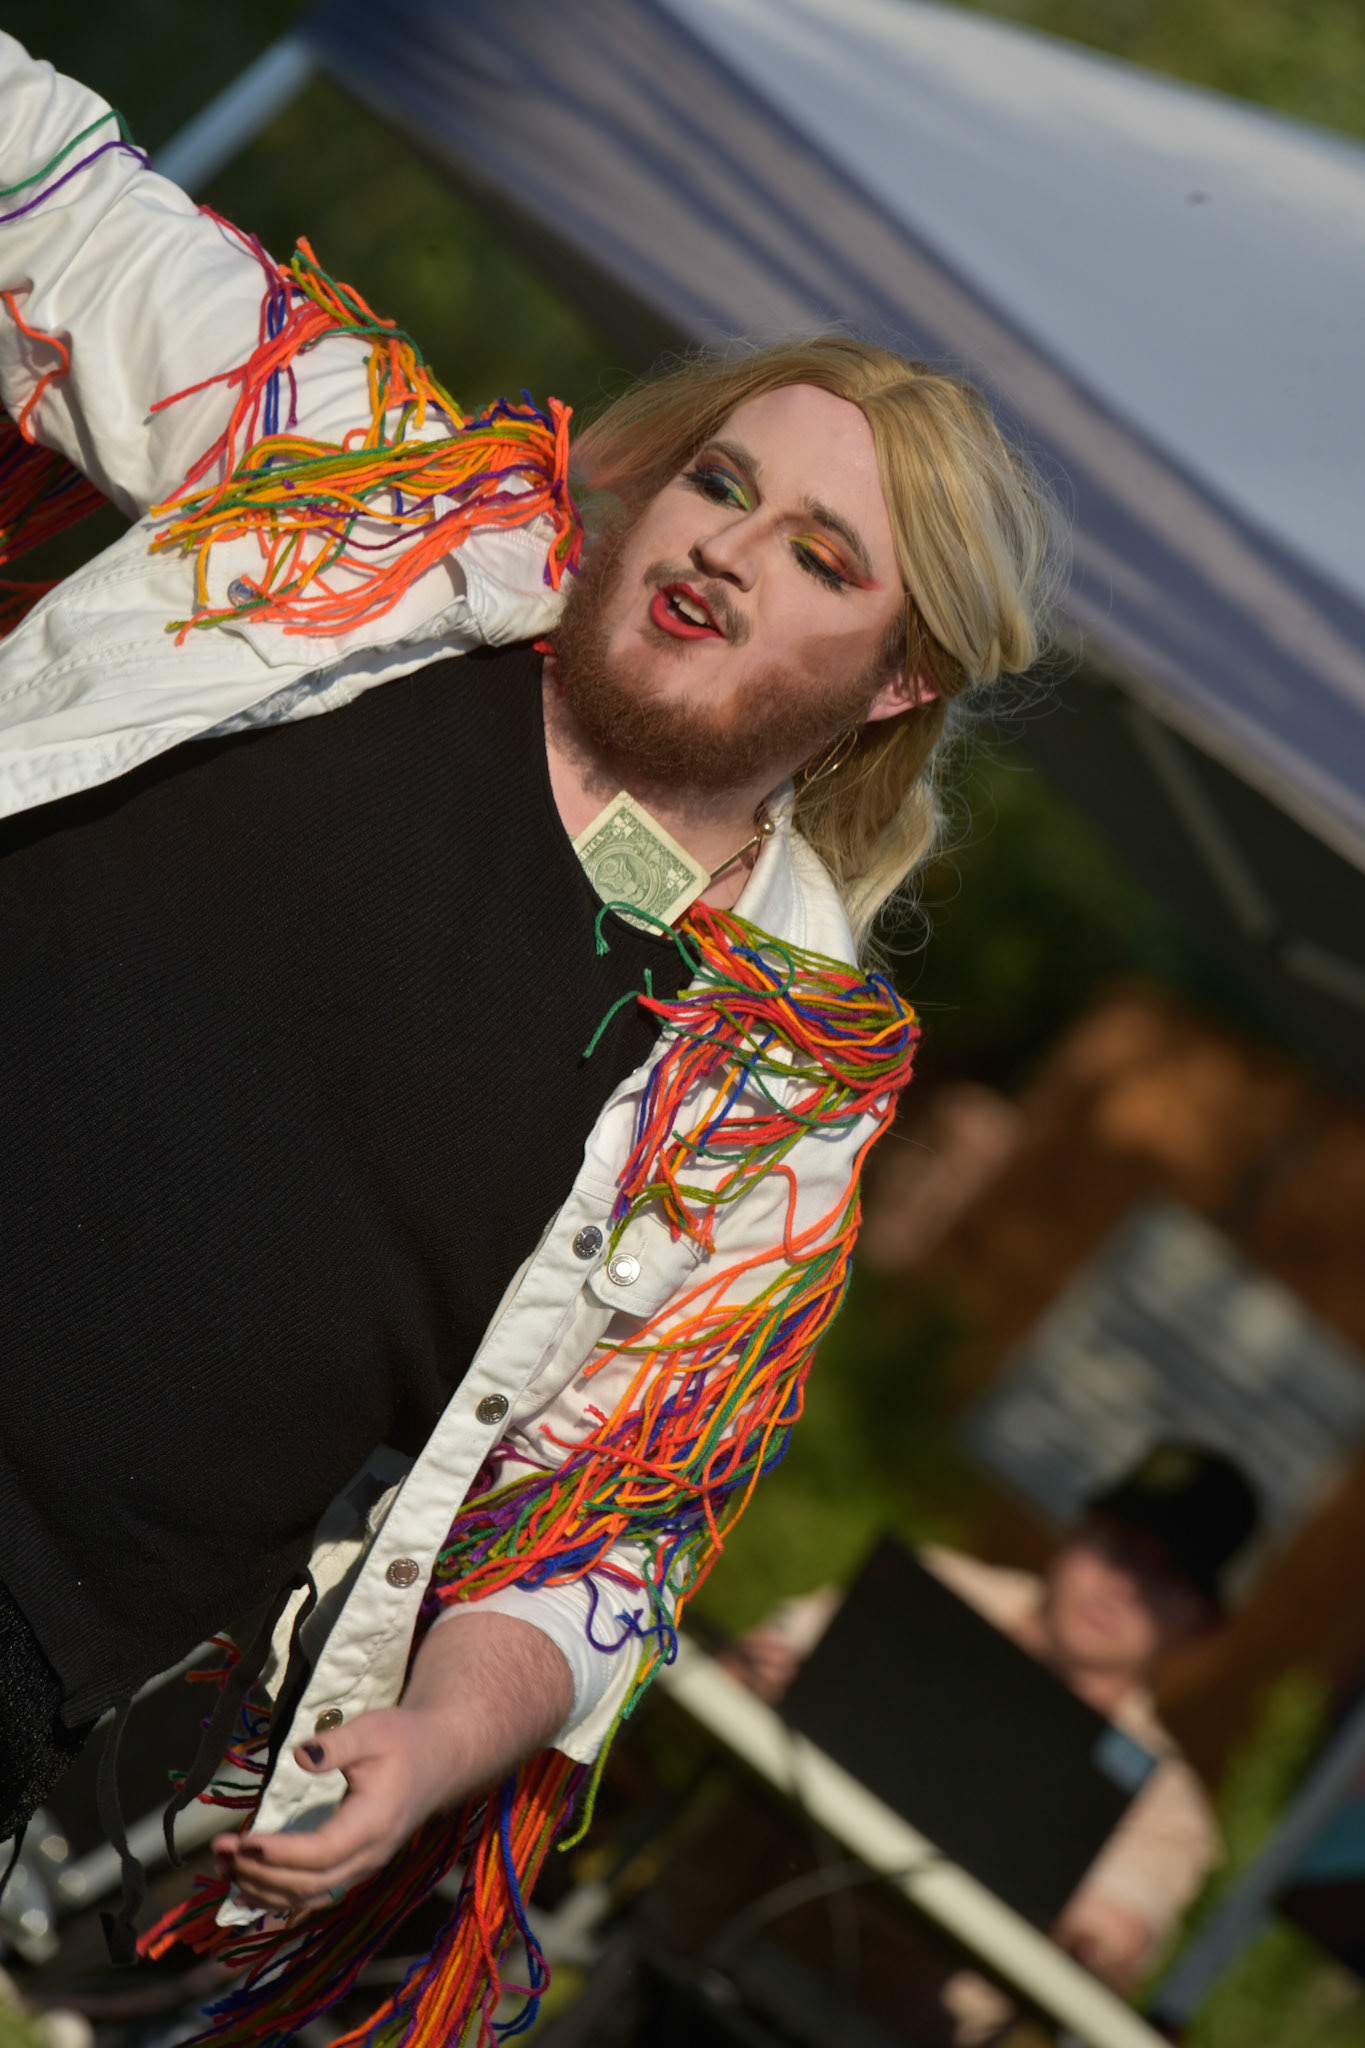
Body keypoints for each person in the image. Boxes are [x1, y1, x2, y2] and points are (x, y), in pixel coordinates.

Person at [0, 32, 1054, 2041]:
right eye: (725, 482)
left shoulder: (770, 1086)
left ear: (895, 678)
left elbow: (605, 1537)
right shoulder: (370, 505)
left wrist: (434, 1741)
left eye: (823, 557)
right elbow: (50, 199)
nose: (731, 546)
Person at [727, 1442, 1261, 2041]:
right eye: (1117, 1547)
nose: (1122, 1587)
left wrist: (1092, 1948)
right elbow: (730, 1676)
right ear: (1077, 1529)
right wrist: (756, 1679)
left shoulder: (1165, 1804)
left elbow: (1106, 1950)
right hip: (707, 1938)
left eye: (1164, 1579)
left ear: (1204, 1626)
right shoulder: (928, 1588)